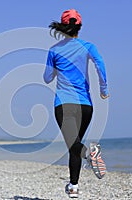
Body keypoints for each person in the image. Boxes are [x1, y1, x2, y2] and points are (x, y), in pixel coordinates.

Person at [43, 9, 110, 198]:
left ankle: (90, 154)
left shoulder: (54, 50)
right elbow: (100, 65)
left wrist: (56, 68)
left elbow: (47, 78)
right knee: (74, 145)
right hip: (86, 106)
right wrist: (103, 90)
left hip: (63, 104)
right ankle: (73, 186)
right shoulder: (88, 46)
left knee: (74, 145)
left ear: (63, 27)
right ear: (79, 26)